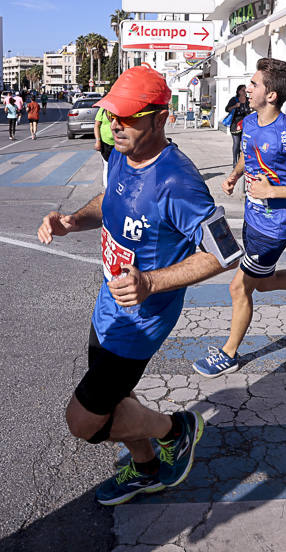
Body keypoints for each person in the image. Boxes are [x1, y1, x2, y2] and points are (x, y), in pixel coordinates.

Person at [37, 65, 240, 505]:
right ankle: (148, 470)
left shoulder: (179, 183)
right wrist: (72, 220)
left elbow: (225, 253)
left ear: (160, 117)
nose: (115, 125)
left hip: (139, 323)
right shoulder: (121, 154)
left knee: (83, 422)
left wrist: (151, 281)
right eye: (111, 115)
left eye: (127, 117)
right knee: (119, 398)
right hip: (108, 308)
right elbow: (111, 201)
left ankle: (176, 430)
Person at [192, 57, 286, 378]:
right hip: (252, 221)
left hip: (273, 229)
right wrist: (234, 176)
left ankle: (229, 353)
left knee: (239, 287)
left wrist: (271, 192)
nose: (248, 88)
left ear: (271, 95)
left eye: (254, 84)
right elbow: (249, 156)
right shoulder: (249, 123)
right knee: (265, 283)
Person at [223, 85, 253, 167]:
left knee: (245, 143)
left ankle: (244, 161)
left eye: (245, 90)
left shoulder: (248, 100)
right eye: (243, 90)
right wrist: (235, 106)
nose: (245, 92)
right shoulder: (234, 100)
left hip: (246, 125)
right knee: (236, 143)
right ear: (239, 91)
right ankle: (235, 161)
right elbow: (227, 109)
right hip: (235, 124)